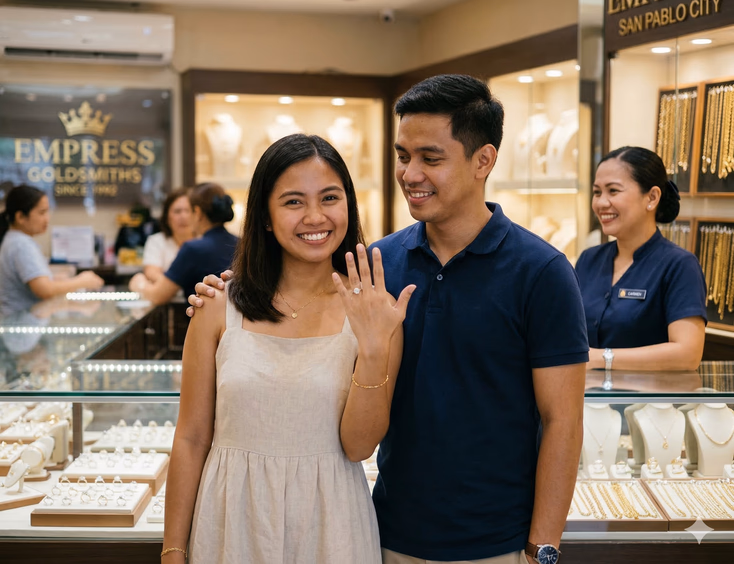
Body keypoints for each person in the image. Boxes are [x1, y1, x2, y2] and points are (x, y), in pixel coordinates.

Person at [188, 75, 588, 564]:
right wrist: (223, 293)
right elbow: (296, 297)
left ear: (483, 160)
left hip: (497, 541)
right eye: (403, 156)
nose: (410, 173)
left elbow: (562, 419)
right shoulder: (374, 265)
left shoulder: (542, 271)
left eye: (430, 158)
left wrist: (541, 546)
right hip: (384, 532)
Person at [162, 134, 413, 564]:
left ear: (348, 206)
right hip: (230, 524)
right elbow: (190, 438)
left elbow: (359, 447)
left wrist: (373, 352)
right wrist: (173, 550)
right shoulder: (218, 306)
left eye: (329, 198)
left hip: (333, 527)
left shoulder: (374, 311)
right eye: (293, 202)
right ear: (264, 215)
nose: (315, 217)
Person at [576, 146, 706, 372]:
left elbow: (687, 354)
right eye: (597, 192)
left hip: (648, 405)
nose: (601, 203)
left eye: (613, 191)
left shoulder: (679, 265)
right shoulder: (589, 260)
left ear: (652, 197)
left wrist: (600, 358)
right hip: (589, 403)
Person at [0, 184, 104, 316]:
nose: (47, 219)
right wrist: (81, 281)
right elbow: (44, 290)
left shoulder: (17, 241)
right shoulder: (21, 244)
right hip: (22, 327)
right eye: (41, 212)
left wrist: (56, 279)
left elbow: (37, 283)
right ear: (20, 217)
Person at [129, 183, 237, 306]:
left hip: (202, 322)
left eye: (188, 211)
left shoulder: (193, 249)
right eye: (178, 211)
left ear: (197, 213)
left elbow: (157, 296)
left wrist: (139, 284)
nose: (185, 217)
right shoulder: (241, 243)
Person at [141, 188, 194, 283]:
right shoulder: (156, 241)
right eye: (177, 211)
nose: (183, 216)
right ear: (167, 217)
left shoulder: (205, 241)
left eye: (188, 210)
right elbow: (151, 272)